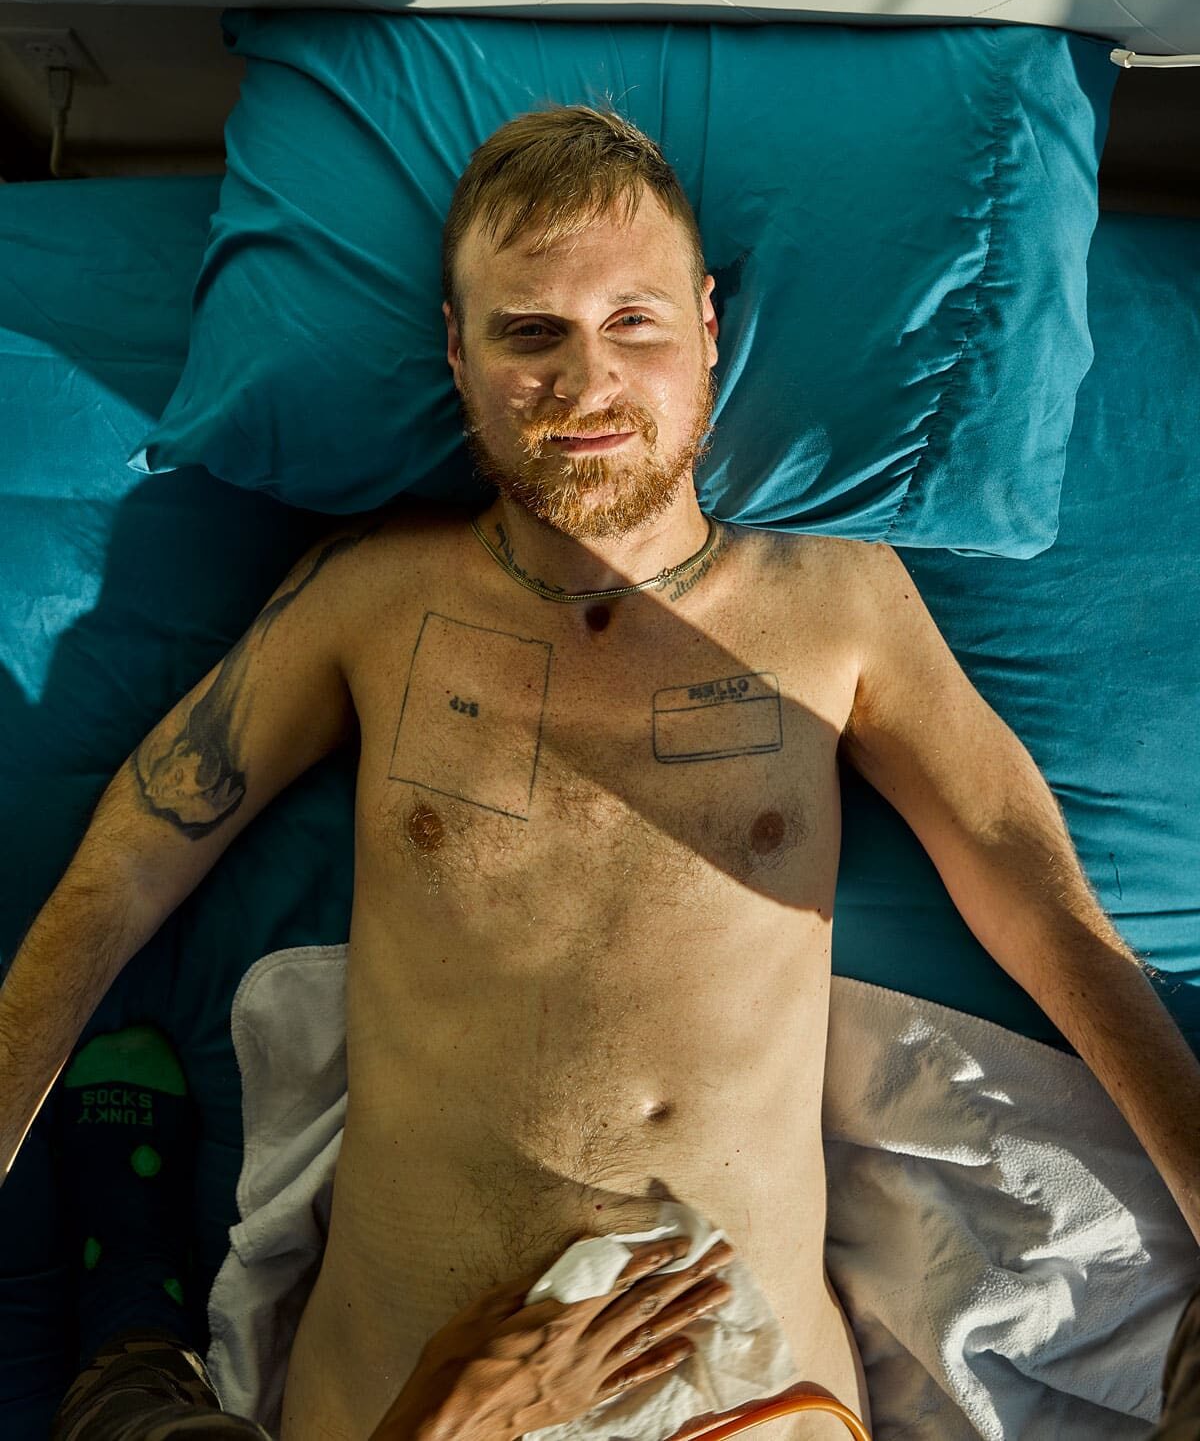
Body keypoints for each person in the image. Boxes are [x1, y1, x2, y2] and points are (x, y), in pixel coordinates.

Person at [1, 101, 1196, 1440]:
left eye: (634, 321)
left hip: (746, 1404)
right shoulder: (372, 600)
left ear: (708, 328)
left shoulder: (837, 605)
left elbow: (1046, 911)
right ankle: (134, 1329)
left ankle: (131, 1334)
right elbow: (131, 859)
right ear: (457, 352)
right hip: (401, 1395)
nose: (586, 383)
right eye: (530, 333)